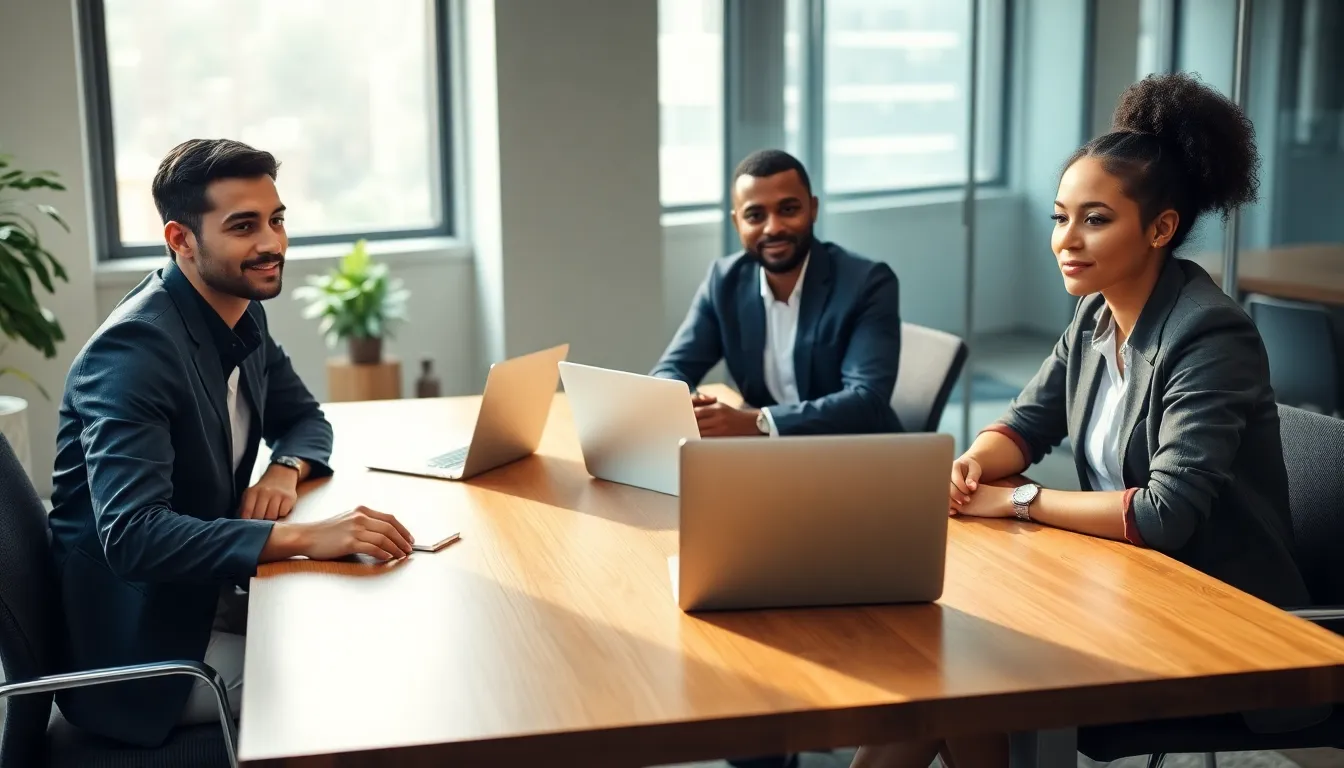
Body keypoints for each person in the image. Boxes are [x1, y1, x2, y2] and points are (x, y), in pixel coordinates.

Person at [851, 72, 1313, 768]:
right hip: (1127, 585)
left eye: (1095, 219)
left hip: (1225, 620)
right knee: (938, 667)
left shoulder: (1209, 334)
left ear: (1160, 229)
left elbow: (1166, 514)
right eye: (1060, 217)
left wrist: (1021, 503)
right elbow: (1025, 424)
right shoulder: (1097, 314)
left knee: (958, 665)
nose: (1066, 239)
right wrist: (974, 462)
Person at [48, 139, 416, 748]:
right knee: (362, 684)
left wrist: (285, 470)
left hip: (205, 597)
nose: (271, 243)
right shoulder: (133, 353)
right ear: (181, 240)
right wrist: (302, 536)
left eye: (276, 220)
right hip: (142, 654)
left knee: (384, 625)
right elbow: (133, 535)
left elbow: (303, 418)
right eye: (243, 226)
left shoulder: (237, 309)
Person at [651, 149, 903, 438]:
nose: (773, 228)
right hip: (769, 456)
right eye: (755, 215)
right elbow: (670, 370)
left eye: (788, 209)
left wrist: (757, 421)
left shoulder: (867, 283)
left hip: (856, 455)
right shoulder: (724, 282)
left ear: (813, 209)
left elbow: (866, 400)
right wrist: (687, 405)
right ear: (737, 223)